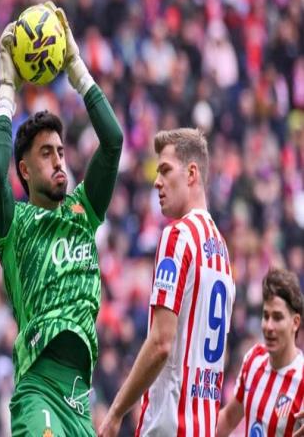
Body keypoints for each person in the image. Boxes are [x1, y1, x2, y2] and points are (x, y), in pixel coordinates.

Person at [0, 1, 123, 436]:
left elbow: (113, 141)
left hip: (81, 400)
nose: (59, 160)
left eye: (61, 151)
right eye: (46, 153)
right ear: (25, 170)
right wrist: (7, 87)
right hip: (38, 390)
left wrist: (76, 67)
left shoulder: (84, 212)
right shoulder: (15, 226)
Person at [99, 128, 236, 436]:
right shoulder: (222, 250)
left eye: (165, 170)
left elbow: (161, 343)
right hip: (203, 426)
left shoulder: (177, 236)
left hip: (169, 425)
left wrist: (116, 412)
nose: (156, 181)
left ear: (191, 173)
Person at [217, 267, 304, 437]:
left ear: (295, 323)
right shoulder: (254, 359)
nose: (269, 326)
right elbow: (228, 418)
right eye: (266, 316)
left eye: (277, 317)